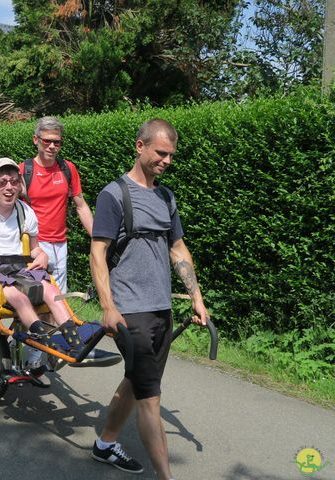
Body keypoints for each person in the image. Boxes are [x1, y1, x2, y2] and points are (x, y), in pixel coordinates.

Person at [89, 119, 210, 479]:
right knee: (150, 399)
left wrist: (196, 297)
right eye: (161, 153)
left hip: (161, 309)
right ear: (140, 146)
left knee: (136, 380)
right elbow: (98, 253)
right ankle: (166, 477)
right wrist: (109, 307)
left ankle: (105, 443)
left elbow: (178, 249)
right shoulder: (114, 195)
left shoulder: (165, 197)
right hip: (131, 313)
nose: (167, 160)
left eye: (171, 155)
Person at [0, 158, 97, 376]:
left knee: (51, 290)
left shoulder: (24, 211)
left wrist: (42, 255)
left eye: (14, 182)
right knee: (19, 298)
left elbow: (35, 249)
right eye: (3, 182)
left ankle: (75, 343)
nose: (9, 187)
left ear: (19, 185)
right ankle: (44, 342)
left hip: (18, 267)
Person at [18, 116, 93, 294]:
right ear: (36, 140)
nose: (52, 146)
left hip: (60, 245)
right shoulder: (23, 171)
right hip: (33, 244)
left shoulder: (68, 169)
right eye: (47, 141)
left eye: (57, 142)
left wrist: (97, 237)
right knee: (37, 297)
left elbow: (81, 206)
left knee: (60, 297)